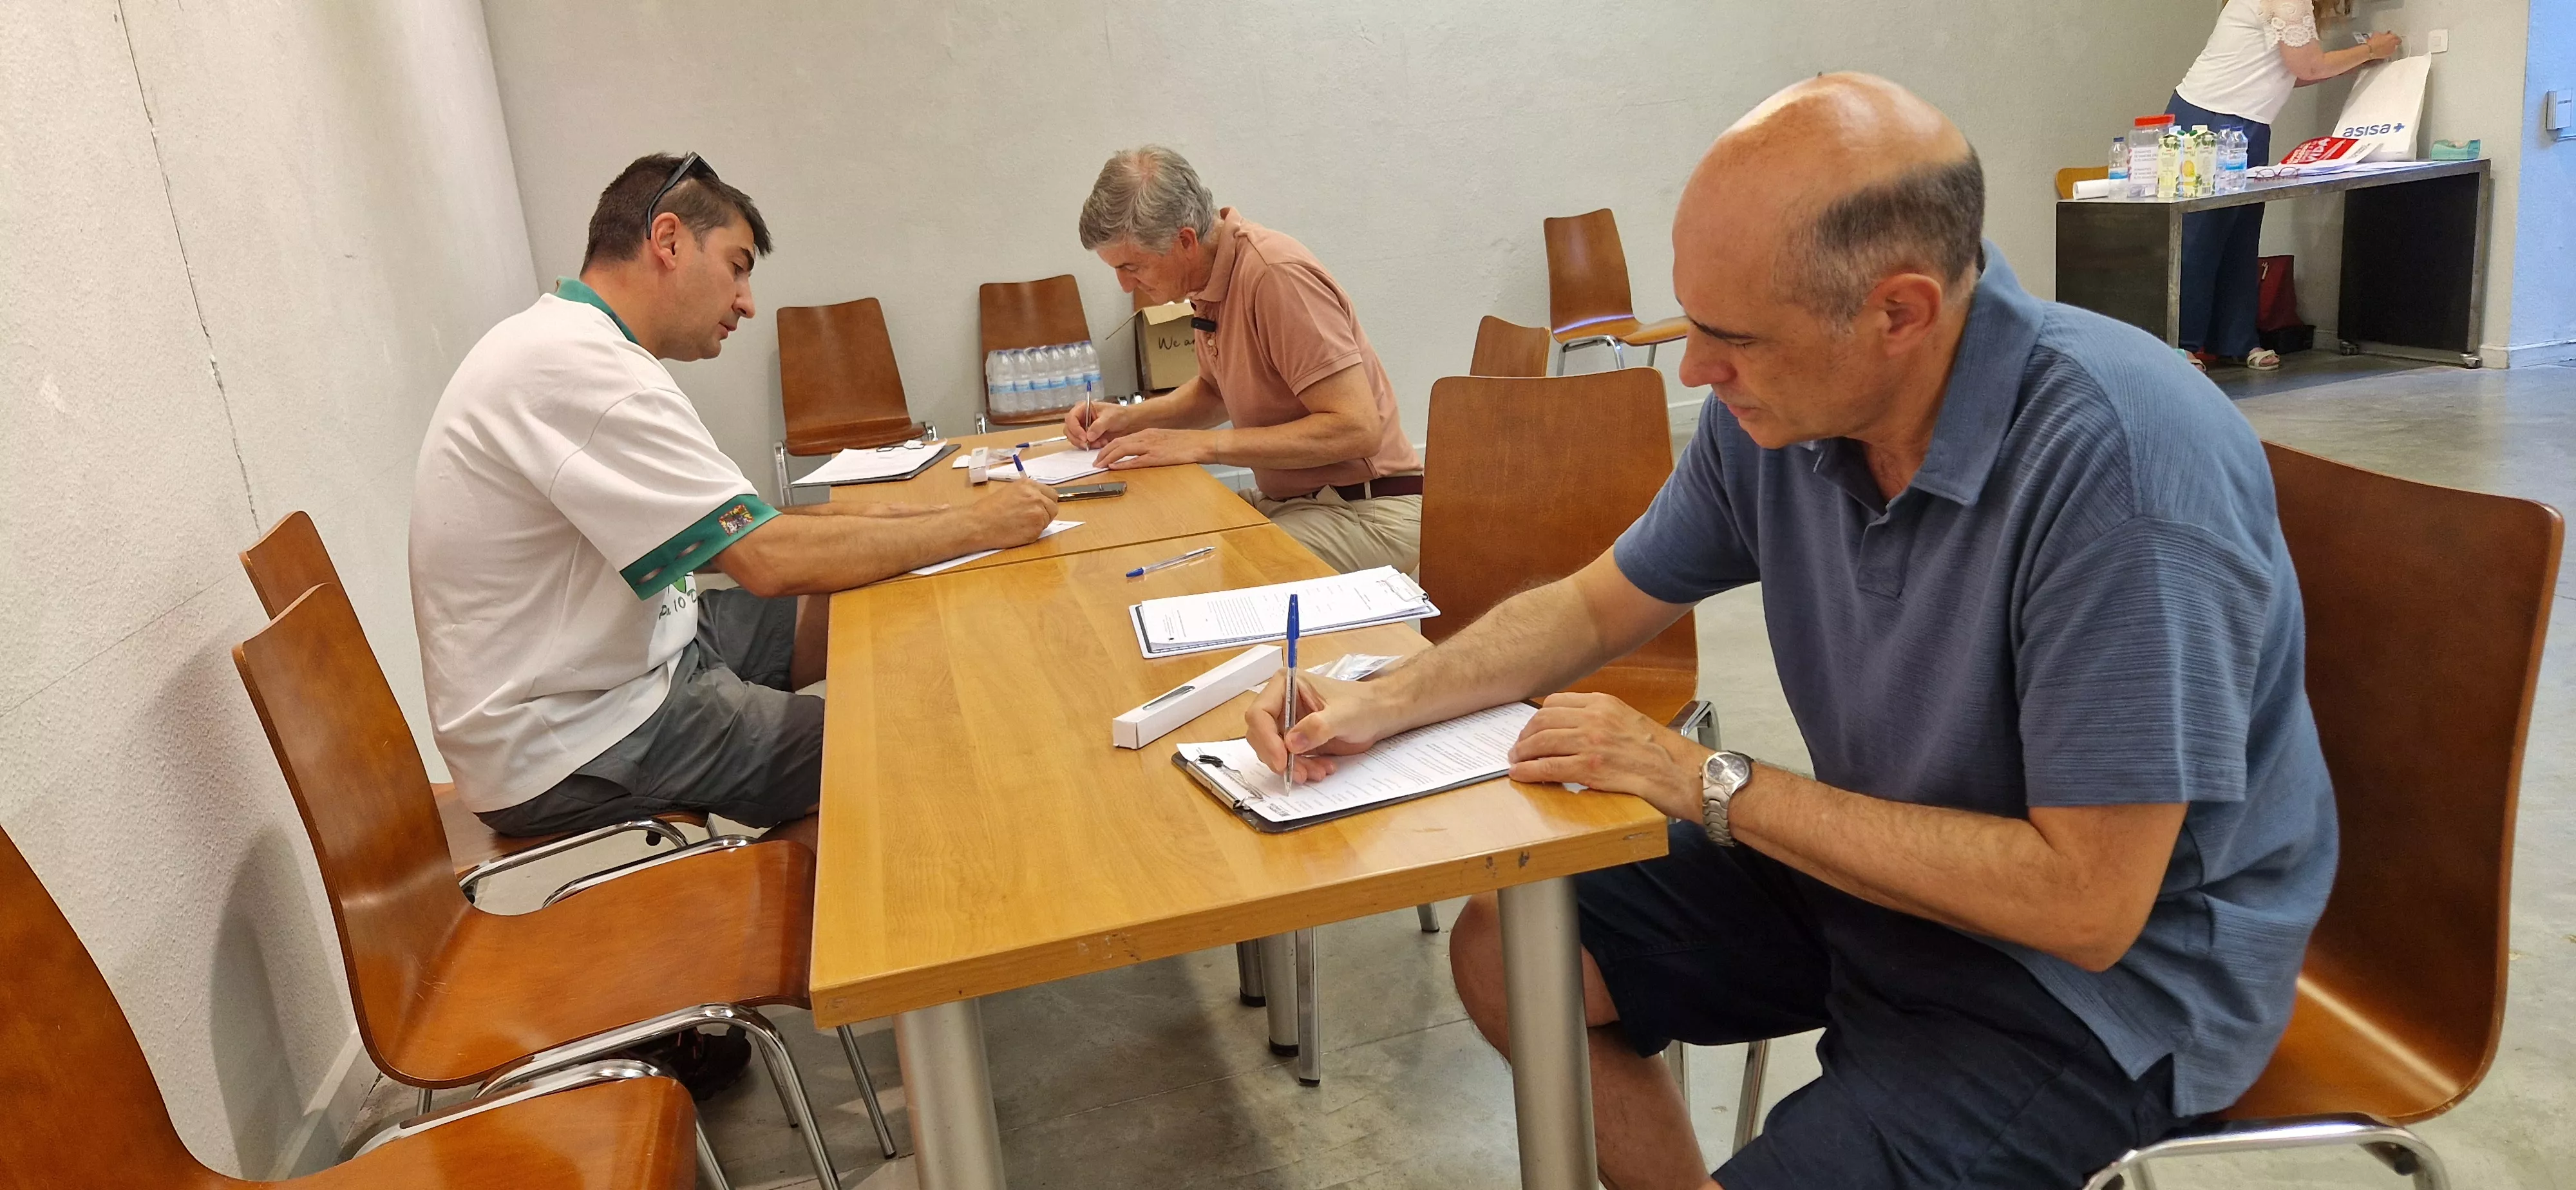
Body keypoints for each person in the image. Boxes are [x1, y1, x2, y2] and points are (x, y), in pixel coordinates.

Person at [1247, 75, 2336, 1189]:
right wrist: (1384, 696)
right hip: (1901, 885)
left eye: (1732, 338)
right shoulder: (1779, 420)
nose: (1695, 373)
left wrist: (1704, 775)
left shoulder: (2119, 468)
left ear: (1900, 313)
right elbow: (1591, 604)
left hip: (2100, 992)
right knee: (1515, 948)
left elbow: (2086, 903)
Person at [412, 153, 1056, 859]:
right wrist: (975, 525)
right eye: (738, 267)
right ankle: (827, 934)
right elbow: (767, 561)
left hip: (625, 656)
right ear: (667, 241)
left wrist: (912, 521)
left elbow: (746, 526)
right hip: (571, 737)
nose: (747, 302)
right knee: (888, 747)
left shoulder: (574, 346)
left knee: (868, 607)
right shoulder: (586, 372)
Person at [1065, 146, 1425, 575]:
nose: (1126, 286)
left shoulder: (1275, 276)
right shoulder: (1208, 279)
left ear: (1185, 241)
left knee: (1218, 575)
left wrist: (1205, 445)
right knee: (1161, 539)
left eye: (1132, 267)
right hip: (1299, 502)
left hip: (1370, 509)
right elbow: (1215, 393)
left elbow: (1357, 429)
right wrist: (1128, 419)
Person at [2170, 0, 2398, 370]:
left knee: (2241, 235)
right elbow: (2307, 66)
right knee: (2202, 235)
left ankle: (2237, 340)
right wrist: (2371, 49)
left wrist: (2358, 59)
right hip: (2210, 119)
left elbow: (2295, 70)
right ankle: (2181, 343)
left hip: (2248, 123)